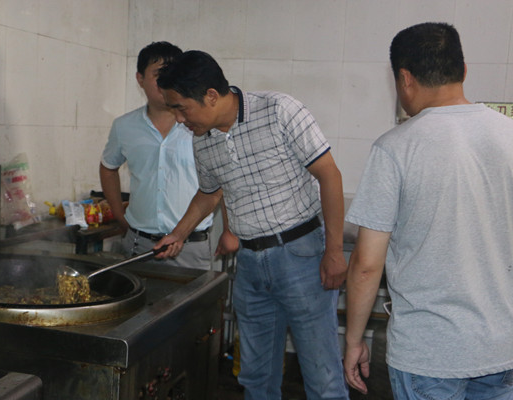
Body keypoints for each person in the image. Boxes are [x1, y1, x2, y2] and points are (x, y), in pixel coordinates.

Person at [154, 50, 350, 400]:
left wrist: (334, 251)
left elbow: (329, 176)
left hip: (300, 257)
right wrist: (178, 234)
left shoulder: (279, 110)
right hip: (249, 264)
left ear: (211, 96)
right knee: (255, 377)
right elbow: (208, 194)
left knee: (323, 379)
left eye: (181, 108)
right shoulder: (202, 140)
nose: (179, 119)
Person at [343, 22, 513, 399]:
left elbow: (367, 264)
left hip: (429, 354)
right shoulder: (509, 135)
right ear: (463, 70)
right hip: (502, 349)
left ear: (405, 78)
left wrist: (354, 340)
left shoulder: (395, 148)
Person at [99, 41, 215, 270]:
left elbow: (222, 182)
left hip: (191, 247)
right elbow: (108, 167)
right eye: (158, 74)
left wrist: (229, 232)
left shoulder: (201, 124)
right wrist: (120, 215)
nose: (166, 80)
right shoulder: (124, 126)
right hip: (140, 244)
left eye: (173, 73)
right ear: (140, 79)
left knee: (194, 295)